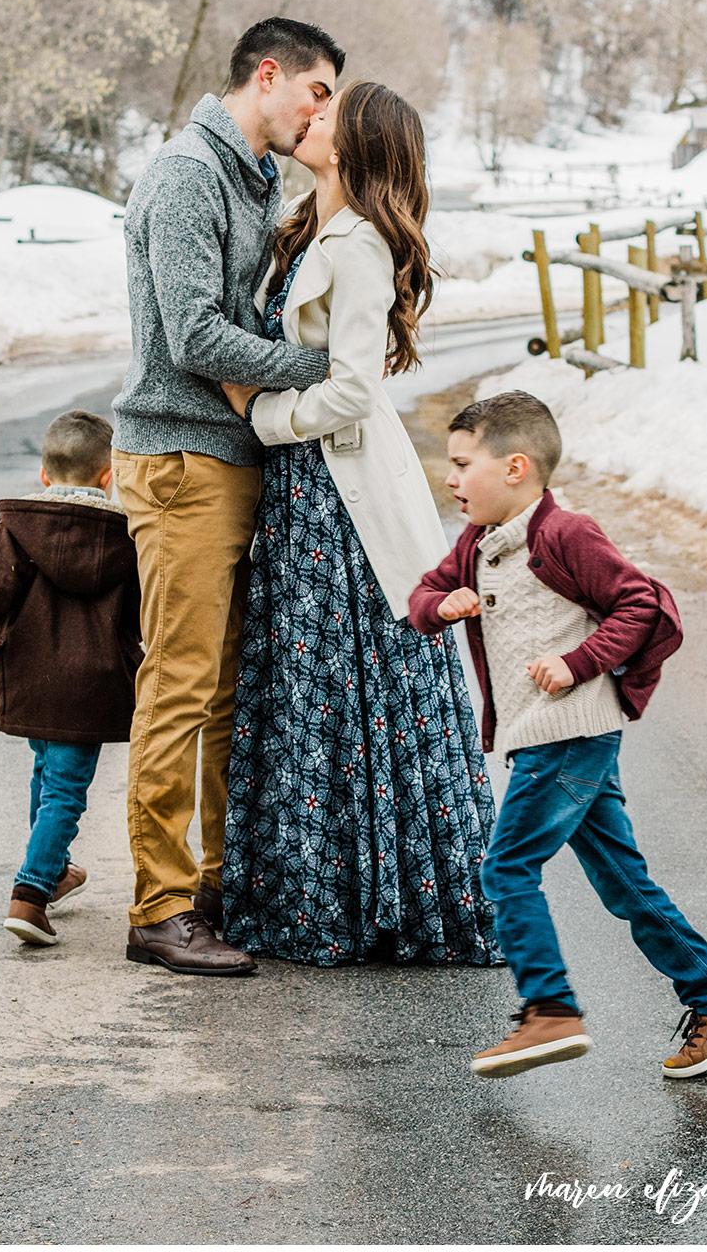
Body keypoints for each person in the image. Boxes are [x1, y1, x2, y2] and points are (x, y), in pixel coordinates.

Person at [218, 82, 500, 967]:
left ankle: (378, 897)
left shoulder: (363, 245)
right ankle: (314, 886)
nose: (313, 119)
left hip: (340, 493)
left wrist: (257, 416)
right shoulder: (306, 223)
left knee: (353, 682)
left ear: (355, 146)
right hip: (302, 492)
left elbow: (351, 388)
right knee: (312, 690)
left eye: (330, 116)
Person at [408, 391, 707, 1078]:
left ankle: (550, 1011)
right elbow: (424, 592)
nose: (449, 479)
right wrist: (440, 605)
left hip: (569, 732)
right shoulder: (478, 544)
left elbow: (643, 603)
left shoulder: (566, 533)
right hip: (556, 736)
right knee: (624, 883)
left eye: (460, 464)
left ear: (515, 467)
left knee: (506, 868)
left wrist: (578, 663)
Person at [111, 18, 345, 976]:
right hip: (180, 460)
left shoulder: (254, 178)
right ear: (269, 73)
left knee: (222, 691)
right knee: (181, 684)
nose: (322, 111)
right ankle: (160, 910)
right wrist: (321, 372)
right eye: (319, 91)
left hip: (232, 459)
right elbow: (194, 336)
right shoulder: (184, 175)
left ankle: (208, 888)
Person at [0, 409, 142, 948]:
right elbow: (144, 614)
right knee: (65, 790)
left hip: (30, 675)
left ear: (45, 475)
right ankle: (31, 892)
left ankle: (49, 873)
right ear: (108, 475)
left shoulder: (17, 527)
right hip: (92, 686)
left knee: (48, 777)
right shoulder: (127, 537)